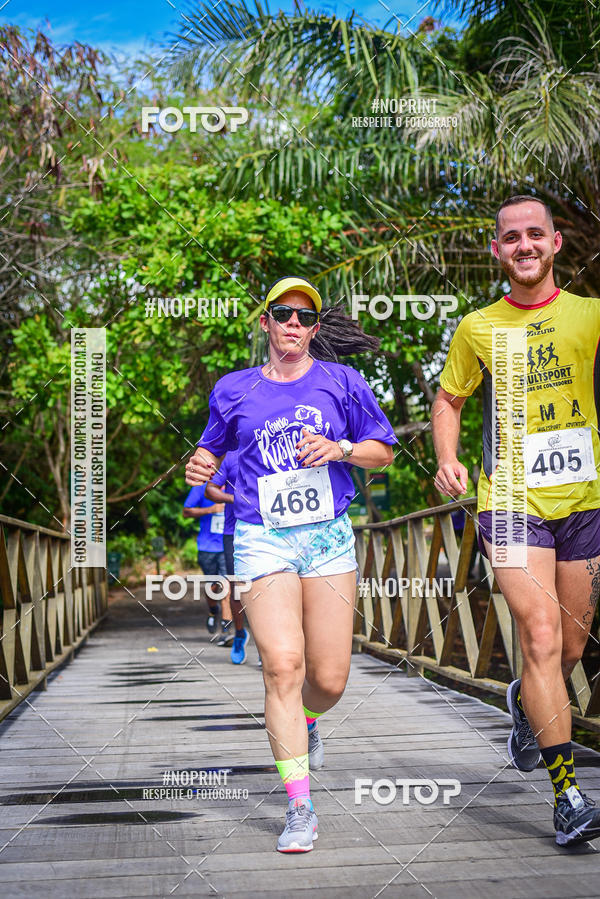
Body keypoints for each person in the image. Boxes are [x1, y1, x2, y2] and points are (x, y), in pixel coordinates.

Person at [185, 275, 396, 852]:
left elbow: (383, 451)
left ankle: (307, 721)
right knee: (282, 666)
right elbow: (212, 445)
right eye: (283, 314)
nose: (293, 326)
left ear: (315, 328)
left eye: (305, 318)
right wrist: (200, 464)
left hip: (327, 538)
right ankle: (299, 808)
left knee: (326, 681)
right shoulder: (234, 389)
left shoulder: (342, 382)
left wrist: (342, 449)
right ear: (266, 323)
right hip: (263, 539)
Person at [432, 194, 600, 847]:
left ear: (557, 243)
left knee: (571, 649)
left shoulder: (589, 316)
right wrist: (447, 457)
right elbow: (448, 398)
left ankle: (527, 707)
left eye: (536, 234)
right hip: (510, 499)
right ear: (497, 250)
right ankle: (568, 798)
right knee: (540, 633)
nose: (524, 244)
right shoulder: (479, 327)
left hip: (585, 501)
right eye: (512, 237)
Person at [206, 450, 250, 663]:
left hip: (273, 530)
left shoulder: (278, 449)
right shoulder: (232, 456)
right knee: (236, 589)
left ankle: (265, 644)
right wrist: (235, 499)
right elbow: (210, 490)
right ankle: (240, 633)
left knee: (270, 588)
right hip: (234, 532)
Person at [182, 484, 230, 639]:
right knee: (213, 586)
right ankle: (213, 611)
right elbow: (186, 512)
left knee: (225, 585)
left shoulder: (235, 483)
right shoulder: (203, 487)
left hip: (227, 544)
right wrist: (210, 509)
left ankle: (226, 630)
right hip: (207, 546)